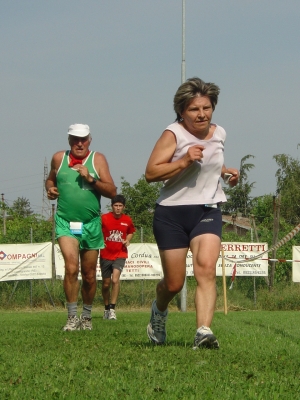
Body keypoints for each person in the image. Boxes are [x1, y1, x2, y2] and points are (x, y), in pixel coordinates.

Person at [145, 77, 239, 349]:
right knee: (173, 284)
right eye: (194, 109)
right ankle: (159, 311)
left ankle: (203, 332)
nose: (202, 114)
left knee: (206, 270)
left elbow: (211, 163)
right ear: (182, 112)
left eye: (207, 108)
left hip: (207, 210)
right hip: (171, 213)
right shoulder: (173, 134)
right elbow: (151, 173)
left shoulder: (219, 133)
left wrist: (226, 172)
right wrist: (185, 159)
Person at [46, 123, 116, 331]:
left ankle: (86, 317)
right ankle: (71, 317)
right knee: (71, 268)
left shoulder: (98, 159)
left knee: (88, 275)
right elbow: (50, 179)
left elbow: (112, 191)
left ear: (89, 140)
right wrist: (50, 188)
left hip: (91, 224)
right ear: (69, 140)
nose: (79, 143)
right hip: (66, 222)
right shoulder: (59, 158)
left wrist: (90, 178)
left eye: (83, 139)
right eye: (75, 139)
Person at [100, 194, 136, 320]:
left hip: (120, 254)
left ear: (124, 207)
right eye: (116, 206)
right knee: (106, 283)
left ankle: (112, 309)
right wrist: (100, 240)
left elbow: (131, 231)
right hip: (105, 254)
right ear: (112, 206)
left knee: (115, 280)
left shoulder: (127, 220)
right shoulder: (104, 218)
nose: (118, 208)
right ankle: (105, 308)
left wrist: (127, 239)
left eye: (120, 206)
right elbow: (96, 230)